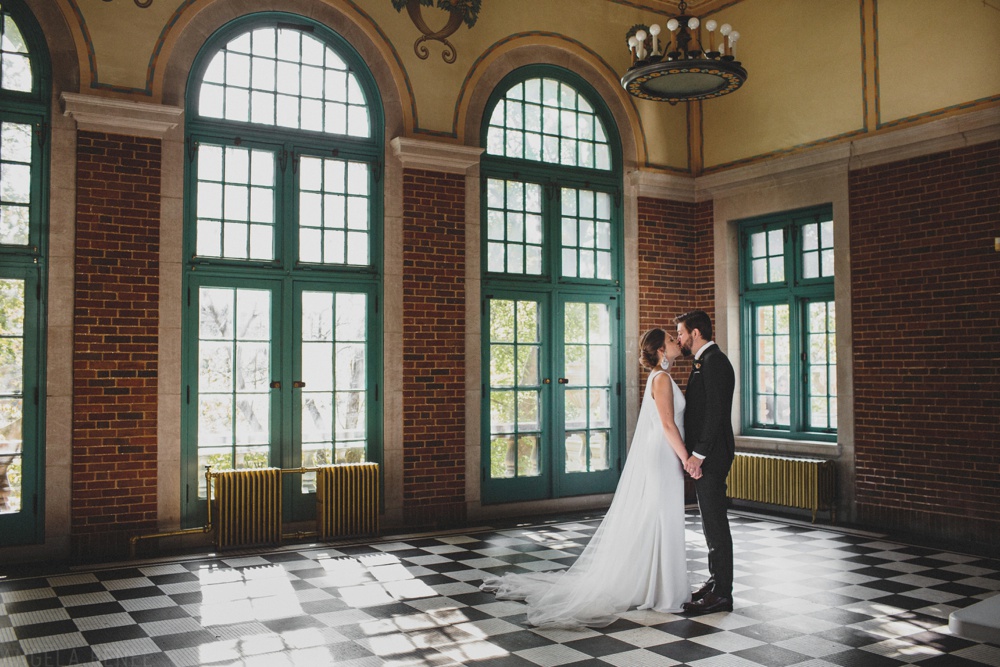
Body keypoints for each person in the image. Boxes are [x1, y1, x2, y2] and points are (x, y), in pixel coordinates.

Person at [480, 328, 697, 628]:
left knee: (659, 515)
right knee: (660, 514)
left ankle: (655, 584)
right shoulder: (661, 379)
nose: (677, 343)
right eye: (671, 341)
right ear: (661, 350)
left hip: (662, 452)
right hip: (663, 453)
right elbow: (667, 425)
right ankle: (658, 588)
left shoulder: (661, 378)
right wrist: (686, 458)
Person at [676, 310, 736, 615]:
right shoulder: (705, 361)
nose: (679, 339)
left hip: (712, 456)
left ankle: (723, 593)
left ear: (696, 332)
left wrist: (698, 454)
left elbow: (714, 414)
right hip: (707, 455)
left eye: (682, 333)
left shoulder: (715, 362)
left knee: (716, 524)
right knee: (710, 524)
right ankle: (715, 582)